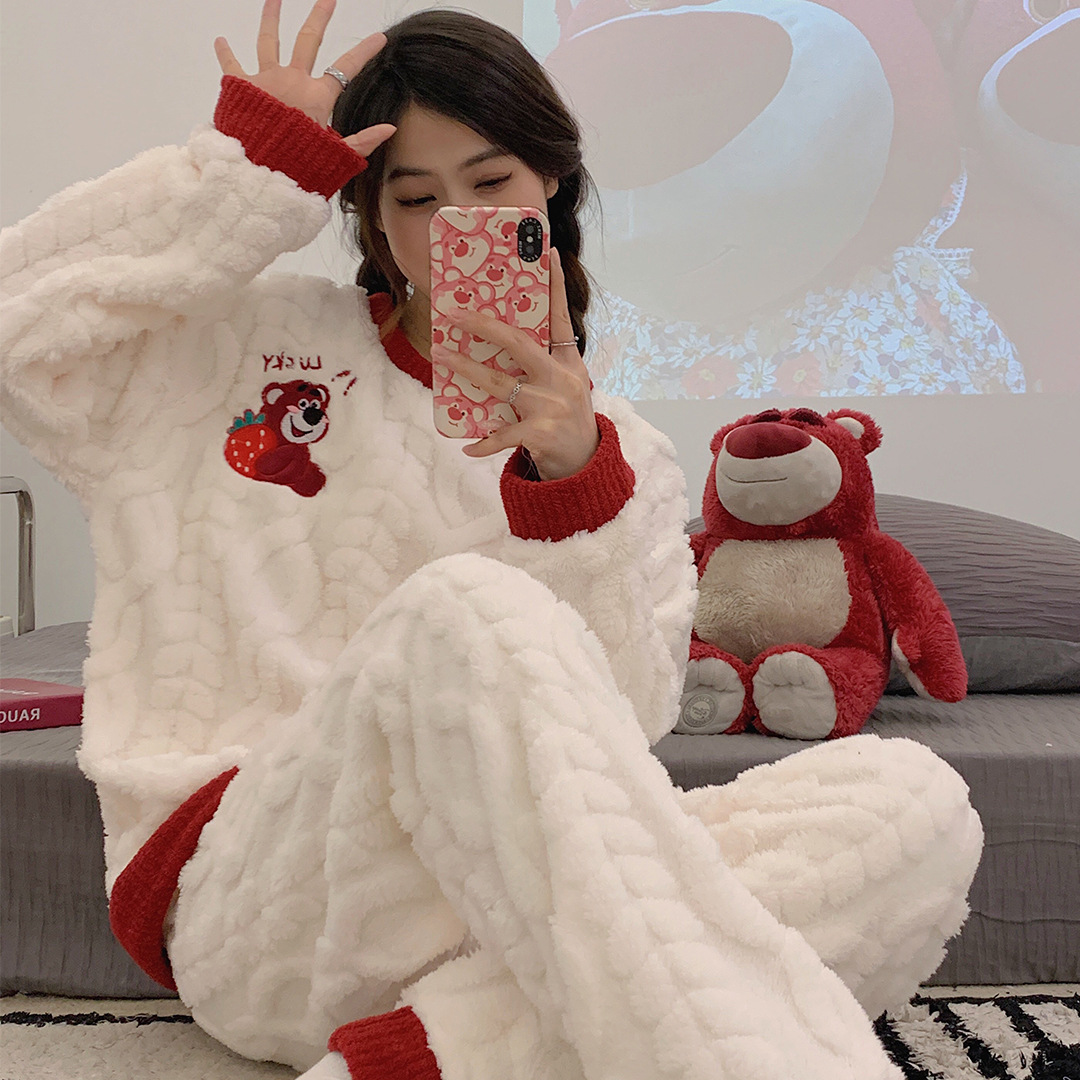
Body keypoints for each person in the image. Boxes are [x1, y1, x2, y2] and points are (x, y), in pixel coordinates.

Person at [0, 4, 982, 1079]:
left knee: (912, 810)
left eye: (490, 181)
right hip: (264, 900)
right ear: (370, 216)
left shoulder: (619, 455)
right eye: (415, 197)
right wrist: (242, 174)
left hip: (508, 902)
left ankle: (432, 1055)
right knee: (464, 610)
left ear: (549, 182)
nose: (454, 223)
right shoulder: (230, 346)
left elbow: (618, 735)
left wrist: (572, 488)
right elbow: (22, 333)